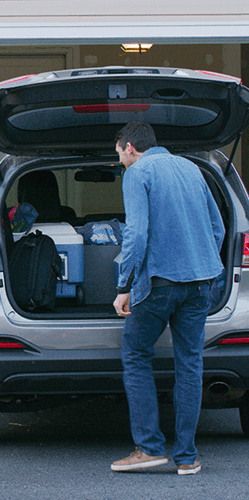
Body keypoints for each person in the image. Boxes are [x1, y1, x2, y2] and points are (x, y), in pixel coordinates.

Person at [110, 121, 224, 475]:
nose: (120, 163)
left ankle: (149, 448)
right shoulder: (192, 168)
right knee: (189, 364)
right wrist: (204, 265)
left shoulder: (138, 172)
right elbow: (217, 227)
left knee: (136, 353)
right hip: (200, 283)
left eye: (119, 155)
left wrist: (124, 285)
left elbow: (137, 234)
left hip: (160, 283)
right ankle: (187, 458)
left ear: (130, 147)